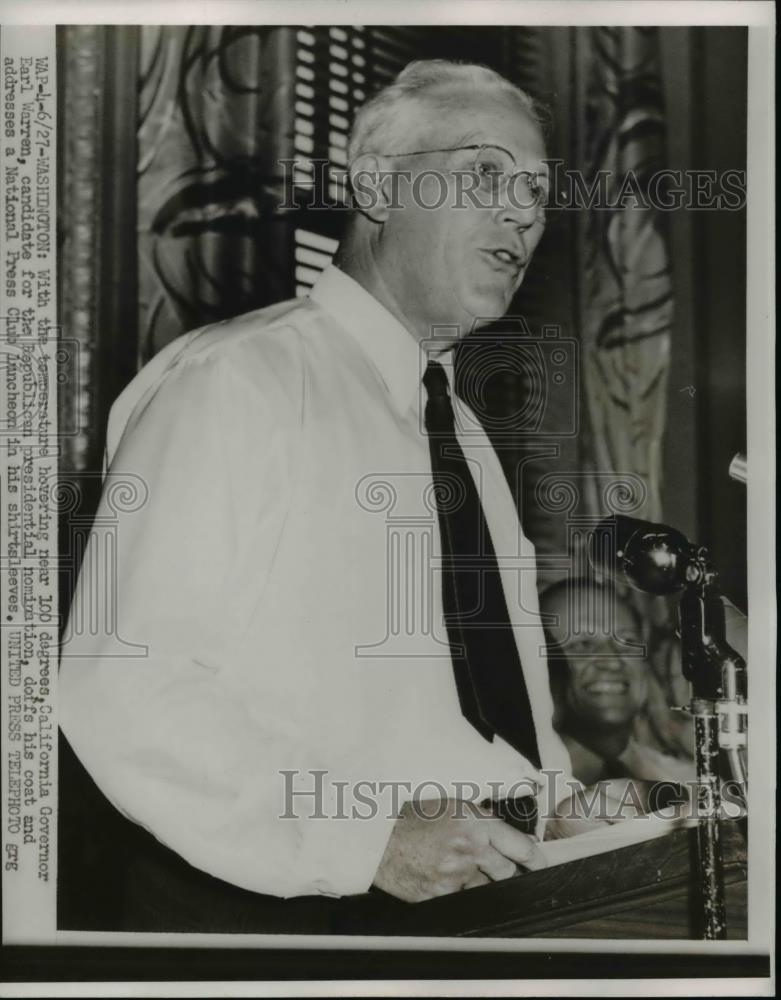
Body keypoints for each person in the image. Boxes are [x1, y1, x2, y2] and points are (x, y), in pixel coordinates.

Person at [59, 60, 591, 928]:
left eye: (536, 186)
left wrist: (557, 806)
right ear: (376, 184)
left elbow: (483, 701)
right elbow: (122, 685)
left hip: (468, 918)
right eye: (486, 171)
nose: (524, 210)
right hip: (279, 924)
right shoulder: (236, 381)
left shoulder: (464, 437)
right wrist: (363, 837)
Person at [539, 577, 695, 805]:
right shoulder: (506, 795)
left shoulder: (691, 784)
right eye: (582, 644)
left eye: (628, 642)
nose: (612, 662)